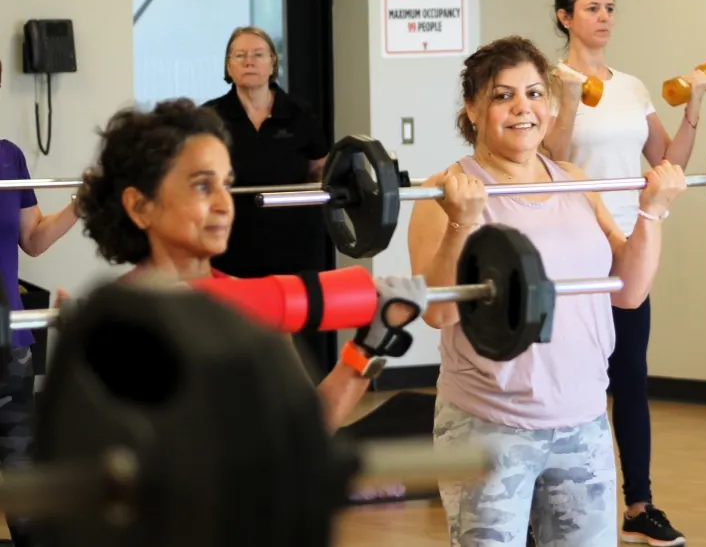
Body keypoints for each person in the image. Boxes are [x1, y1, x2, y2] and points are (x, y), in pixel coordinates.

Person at [407, 35, 687, 547]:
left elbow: (628, 290)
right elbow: (438, 315)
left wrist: (653, 211)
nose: (523, 109)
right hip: (487, 425)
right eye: (502, 95)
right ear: (471, 109)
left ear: (552, 105)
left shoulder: (572, 182)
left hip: (583, 422)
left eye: (535, 94)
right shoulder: (443, 191)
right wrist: (459, 225)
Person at [75, 98, 426, 431]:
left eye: (226, 185)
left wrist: (372, 342)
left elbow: (307, 428)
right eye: (201, 186)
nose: (224, 204)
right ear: (140, 206)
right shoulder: (121, 318)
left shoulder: (258, 304)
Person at [539, 0, 706, 546]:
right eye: (592, 7)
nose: (604, 16)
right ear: (565, 16)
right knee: (572, 379)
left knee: (630, 377)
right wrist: (564, 100)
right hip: (573, 249)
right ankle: (550, 508)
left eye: (610, 7)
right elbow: (551, 161)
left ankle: (639, 506)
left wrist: (695, 104)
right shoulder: (548, 83)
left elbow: (669, 163)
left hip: (630, 247)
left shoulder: (632, 87)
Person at [202, 27, 333, 370]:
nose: (249, 61)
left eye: (258, 54)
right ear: (228, 66)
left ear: (273, 63)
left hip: (295, 245)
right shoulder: (209, 118)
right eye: (239, 55)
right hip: (232, 247)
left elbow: (321, 170)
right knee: (234, 342)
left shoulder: (300, 114)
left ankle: (306, 415)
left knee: (301, 345)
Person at [0, 57, 79, 547]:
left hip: (11, 341)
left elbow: (32, 238)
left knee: (22, 472)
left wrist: (79, 205)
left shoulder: (9, 156)